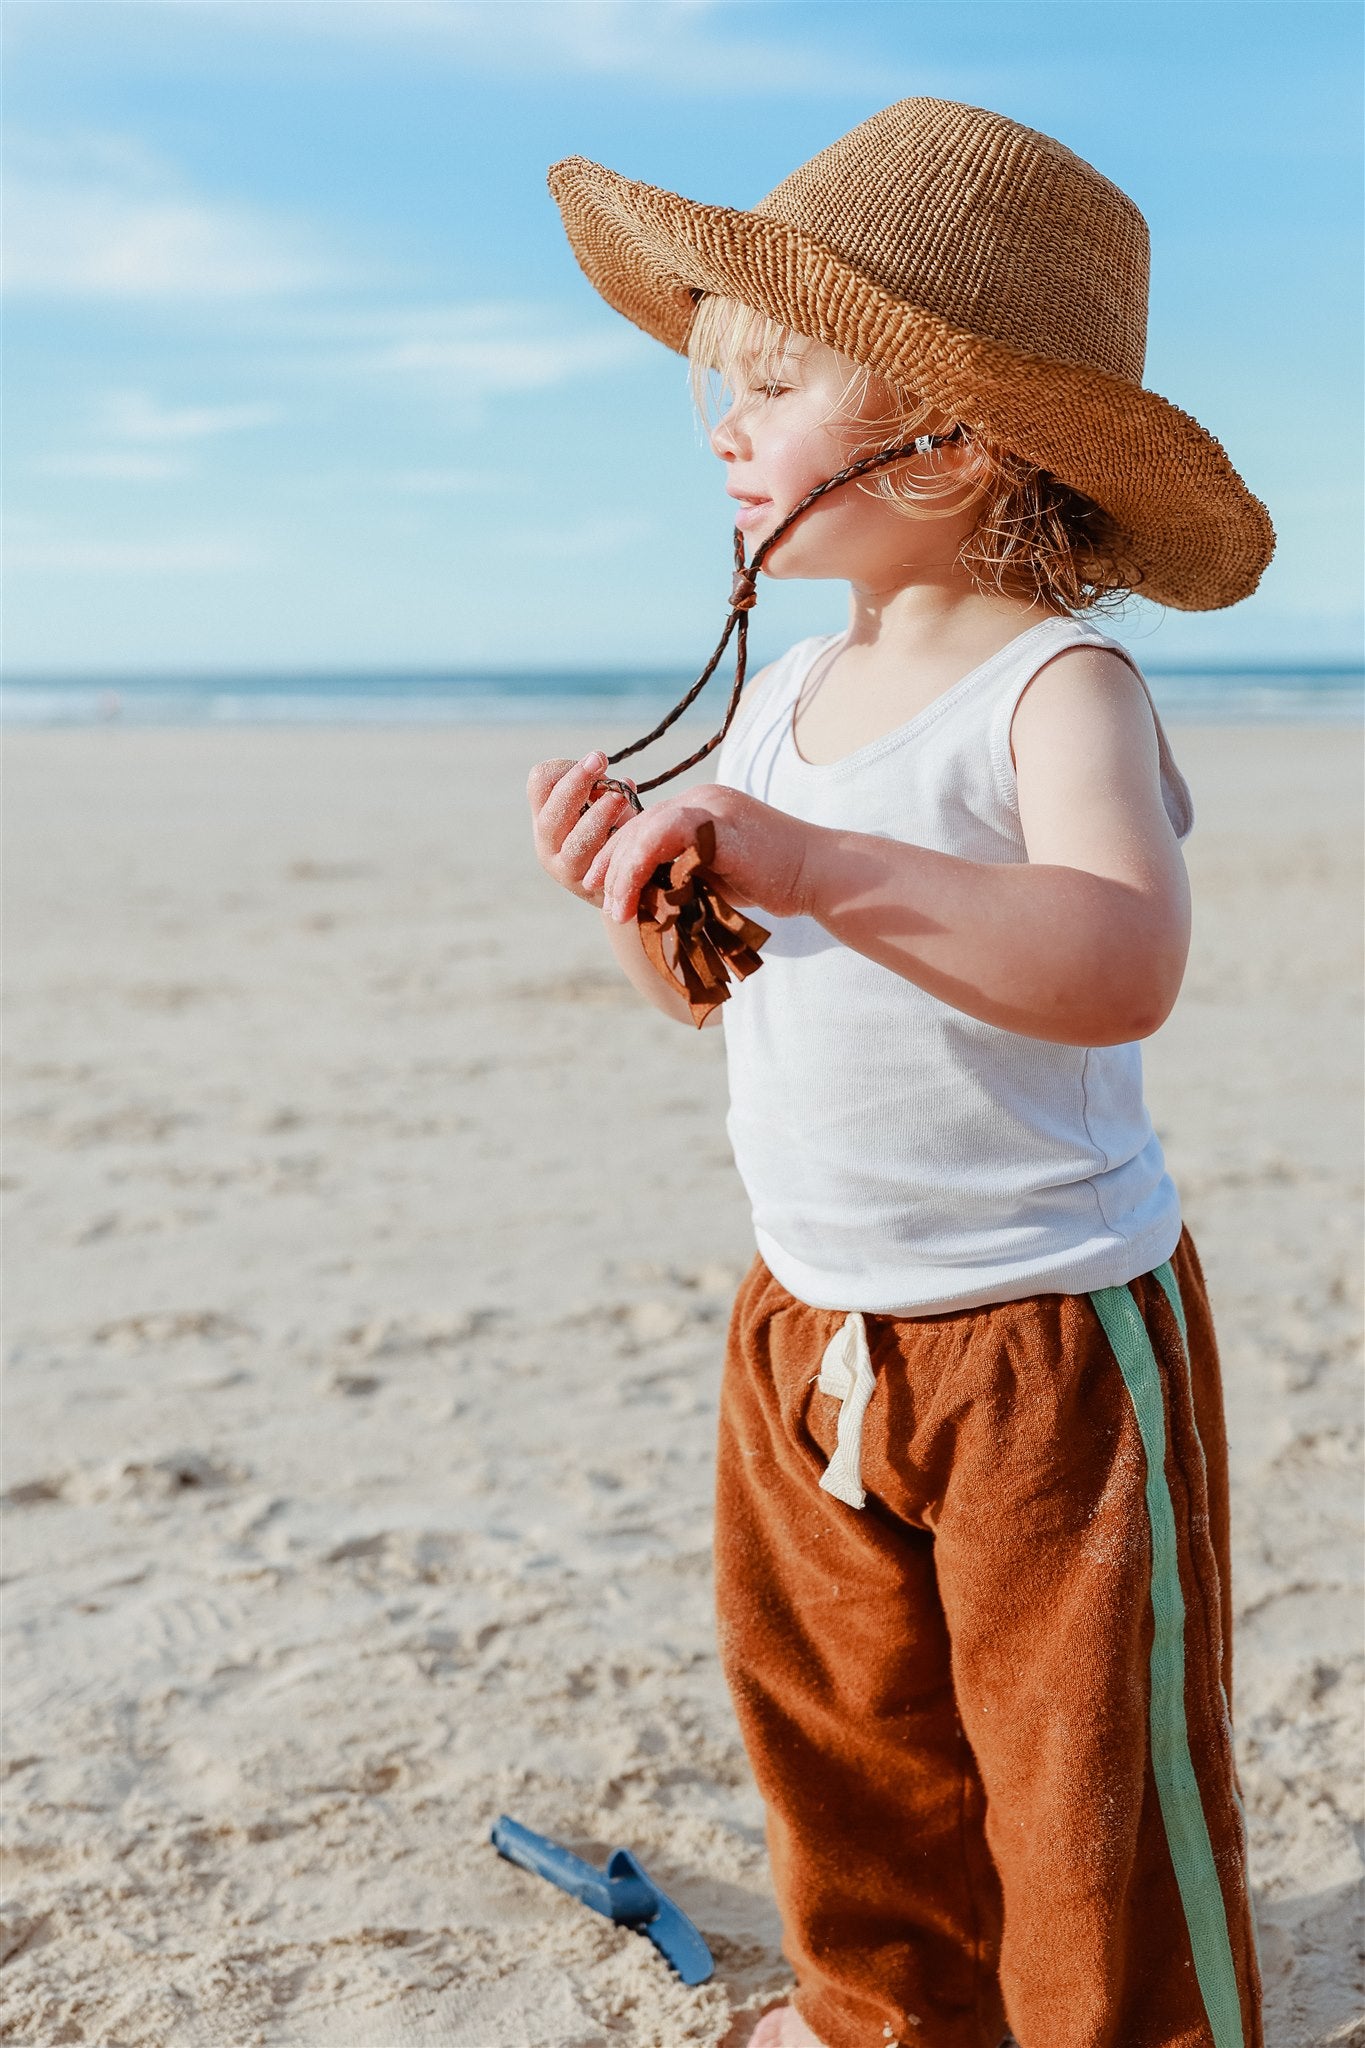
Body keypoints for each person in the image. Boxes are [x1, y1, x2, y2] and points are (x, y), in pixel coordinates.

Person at [528, 99, 1271, 2048]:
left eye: (769, 379)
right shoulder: (776, 700)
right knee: (845, 1729)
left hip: (1041, 1331)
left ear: (948, 440)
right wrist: (650, 883)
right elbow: (720, 989)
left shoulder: (1054, 685)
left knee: (1073, 1750)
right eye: (715, 382)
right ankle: (887, 2013)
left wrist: (818, 864)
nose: (718, 423)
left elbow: (1120, 962)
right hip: (806, 1315)